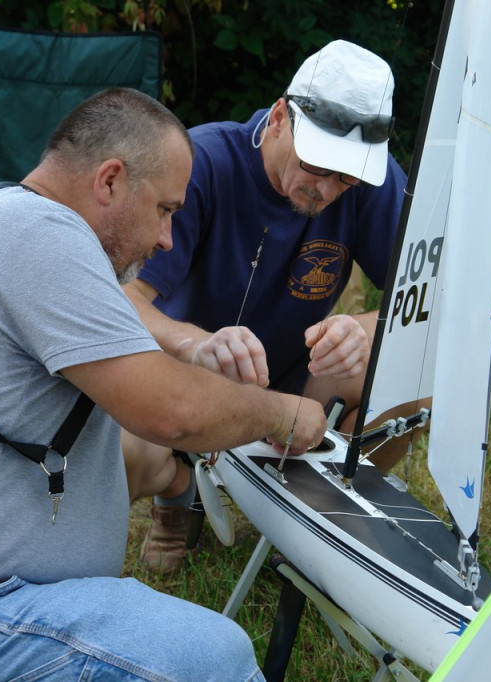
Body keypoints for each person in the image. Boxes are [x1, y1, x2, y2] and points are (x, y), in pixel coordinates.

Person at [0, 87, 328, 681]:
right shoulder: (36, 236)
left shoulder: (10, 217)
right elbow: (172, 413)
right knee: (213, 659)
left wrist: (196, 355)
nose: (167, 239)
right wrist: (289, 416)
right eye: (165, 210)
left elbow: (153, 382)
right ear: (109, 181)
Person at [121, 39, 411, 573]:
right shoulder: (200, 161)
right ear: (279, 117)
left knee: (411, 380)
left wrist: (367, 328)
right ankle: (175, 489)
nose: (325, 189)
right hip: (182, 376)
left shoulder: (370, 181)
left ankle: (314, 527)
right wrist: (196, 343)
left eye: (345, 177)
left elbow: (424, 298)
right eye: (315, 166)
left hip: (294, 375)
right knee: (125, 454)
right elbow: (122, 300)